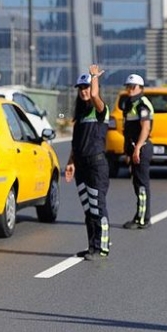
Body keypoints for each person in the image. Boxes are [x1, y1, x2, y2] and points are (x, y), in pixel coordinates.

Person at [65, 65, 111, 260]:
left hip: (96, 166)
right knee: (88, 209)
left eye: (86, 87)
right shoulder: (81, 116)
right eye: (81, 88)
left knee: (97, 207)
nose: (84, 91)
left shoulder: (100, 110)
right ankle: (92, 246)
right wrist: (71, 163)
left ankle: (102, 248)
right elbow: (76, 144)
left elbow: (94, 95)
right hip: (82, 166)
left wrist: (94, 78)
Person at [121, 74, 154, 229]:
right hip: (134, 147)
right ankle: (139, 216)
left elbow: (145, 127)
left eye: (132, 87)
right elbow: (128, 130)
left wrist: (138, 148)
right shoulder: (130, 103)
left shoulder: (142, 104)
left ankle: (142, 219)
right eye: (128, 86)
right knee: (137, 183)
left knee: (141, 185)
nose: (129, 90)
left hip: (141, 147)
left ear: (140, 88)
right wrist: (128, 151)